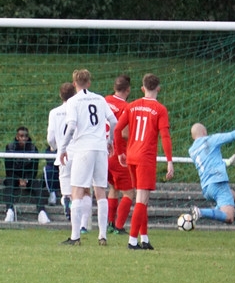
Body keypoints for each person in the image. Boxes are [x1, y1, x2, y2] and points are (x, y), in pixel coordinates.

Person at [57, 69, 117, 246]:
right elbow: (114, 121)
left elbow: (72, 126)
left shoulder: (73, 101)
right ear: (89, 83)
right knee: (100, 191)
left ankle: (75, 236)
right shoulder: (100, 99)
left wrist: (63, 148)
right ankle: (102, 235)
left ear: (74, 83)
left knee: (77, 190)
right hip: (100, 148)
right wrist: (110, 140)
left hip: (83, 148)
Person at [115, 73, 174, 250]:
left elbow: (117, 129)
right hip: (145, 158)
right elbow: (165, 136)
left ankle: (144, 238)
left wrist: (120, 152)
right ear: (158, 88)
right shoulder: (160, 109)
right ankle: (132, 241)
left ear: (142, 88)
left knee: (142, 199)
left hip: (131, 156)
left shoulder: (131, 106)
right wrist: (169, 161)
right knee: (142, 199)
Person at [188, 118, 235, 225]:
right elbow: (231, 135)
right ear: (204, 132)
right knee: (229, 217)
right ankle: (200, 212)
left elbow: (209, 164)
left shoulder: (192, 151)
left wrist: (227, 163)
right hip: (218, 183)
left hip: (206, 189)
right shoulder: (210, 140)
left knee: (233, 196)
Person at [1, 127, 51, 225]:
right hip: (14, 177)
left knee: (37, 185)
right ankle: (10, 210)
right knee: (9, 183)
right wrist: (18, 179)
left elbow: (34, 169)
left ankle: (42, 212)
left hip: (28, 178)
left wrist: (27, 179)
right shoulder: (10, 148)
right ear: (17, 137)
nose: (23, 138)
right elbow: (8, 169)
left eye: (26, 136)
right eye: (21, 136)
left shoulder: (33, 149)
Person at [104, 75, 135, 233]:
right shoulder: (125, 107)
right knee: (129, 192)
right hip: (118, 153)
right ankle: (119, 226)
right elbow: (124, 133)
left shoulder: (105, 100)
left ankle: (110, 223)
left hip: (104, 152)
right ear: (128, 90)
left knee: (113, 188)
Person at [46, 82, 75, 221]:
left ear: (60, 95)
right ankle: (81, 223)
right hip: (79, 153)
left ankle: (66, 201)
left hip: (63, 155)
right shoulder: (77, 110)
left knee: (66, 189)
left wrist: (55, 147)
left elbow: (50, 137)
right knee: (81, 189)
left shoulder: (54, 113)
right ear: (74, 94)